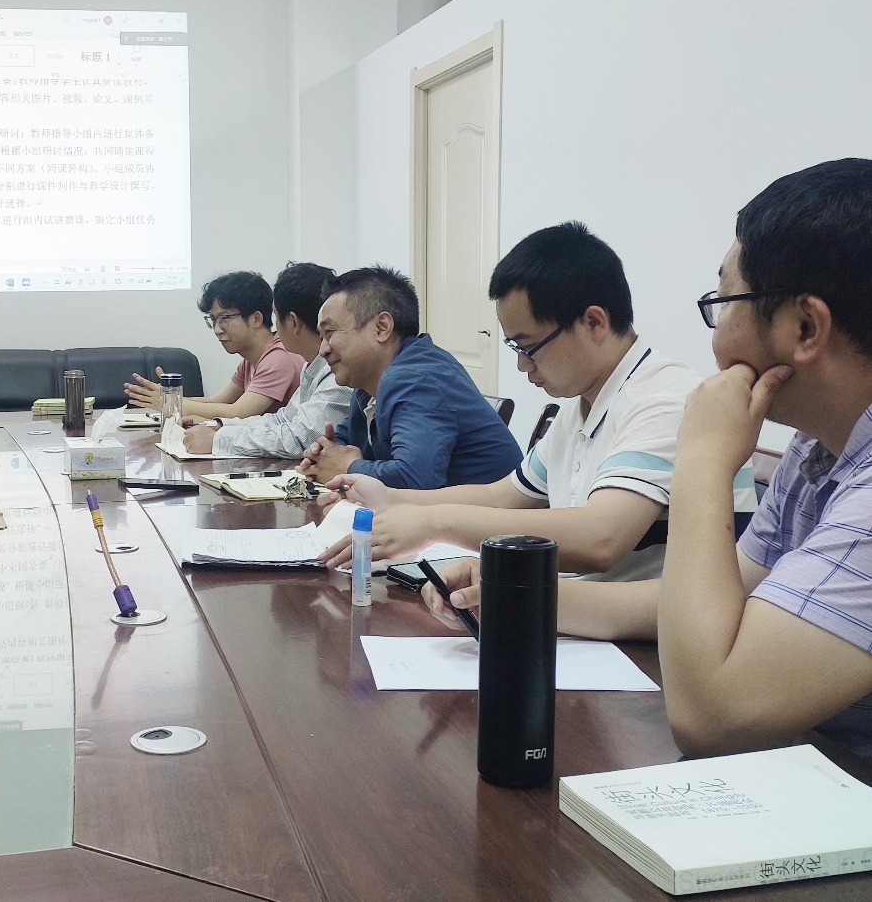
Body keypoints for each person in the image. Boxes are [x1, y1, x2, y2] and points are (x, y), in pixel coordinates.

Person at [424, 159, 872, 760]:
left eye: (724, 301)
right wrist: (516, 595)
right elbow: (726, 598)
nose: (715, 331)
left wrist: (704, 459)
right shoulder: (816, 451)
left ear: (805, 327)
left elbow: (712, 715)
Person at [319, 224, 757, 580]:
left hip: (637, 645)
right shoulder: (583, 406)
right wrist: (391, 498)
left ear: (593, 322)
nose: (521, 365)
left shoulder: (666, 399)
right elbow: (502, 496)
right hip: (583, 618)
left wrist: (433, 523)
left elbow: (601, 538)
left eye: (528, 346)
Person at [297, 266, 522, 490]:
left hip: (494, 512)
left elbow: (414, 479)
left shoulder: (417, 379)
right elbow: (345, 440)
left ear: (382, 327)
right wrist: (324, 454)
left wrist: (347, 466)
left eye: (330, 333)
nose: (323, 350)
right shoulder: (369, 383)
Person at [178, 262, 352, 457]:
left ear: (293, 322)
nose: (218, 329)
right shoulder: (311, 366)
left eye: (276, 316)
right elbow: (281, 420)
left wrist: (218, 439)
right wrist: (218, 426)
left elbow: (301, 439)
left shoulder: (337, 371)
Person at [124, 270, 304, 420]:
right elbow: (218, 402)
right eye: (213, 320)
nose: (217, 329)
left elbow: (237, 413)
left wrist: (172, 403)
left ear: (256, 319)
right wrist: (169, 397)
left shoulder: (278, 358)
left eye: (225, 318)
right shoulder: (251, 359)